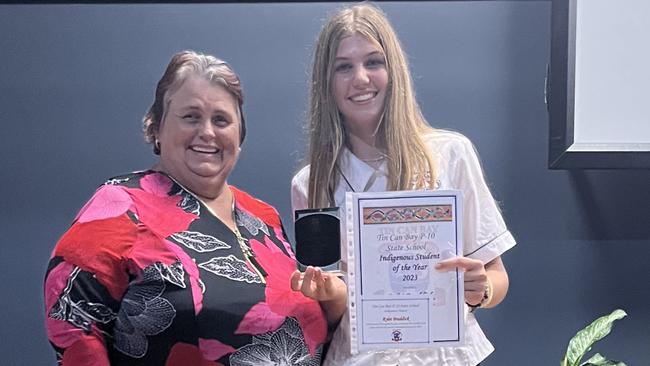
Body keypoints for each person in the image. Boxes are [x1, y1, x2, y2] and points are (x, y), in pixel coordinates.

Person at [44, 50, 331, 365]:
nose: (207, 132)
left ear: (240, 136)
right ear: (156, 128)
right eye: (191, 116)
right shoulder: (118, 206)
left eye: (221, 120)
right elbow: (73, 322)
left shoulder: (264, 217)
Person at [290, 3, 516, 365]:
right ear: (325, 82)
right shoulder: (311, 182)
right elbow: (332, 315)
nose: (360, 78)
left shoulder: (450, 154)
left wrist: (481, 289)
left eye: (373, 62)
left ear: (393, 70)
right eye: (343, 67)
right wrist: (329, 294)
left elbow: (496, 277)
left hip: (445, 357)